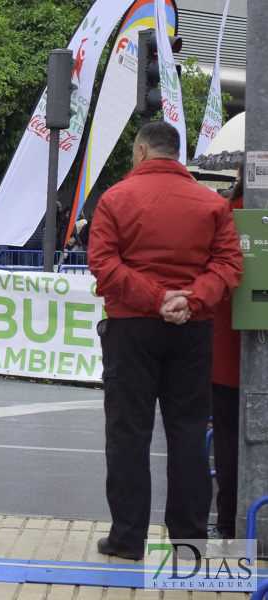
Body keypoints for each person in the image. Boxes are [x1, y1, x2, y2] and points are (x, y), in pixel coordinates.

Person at [89, 121, 243, 560]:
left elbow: (103, 264)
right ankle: (189, 539)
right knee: (190, 433)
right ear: (177, 155)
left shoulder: (115, 199)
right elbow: (230, 265)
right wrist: (190, 301)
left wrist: (156, 300)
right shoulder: (211, 204)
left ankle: (128, 539)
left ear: (140, 151)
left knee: (128, 433)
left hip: (131, 328)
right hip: (193, 330)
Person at [210, 169, 244, 541]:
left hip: (225, 352)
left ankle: (230, 524)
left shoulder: (223, 214)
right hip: (233, 350)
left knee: (228, 439)